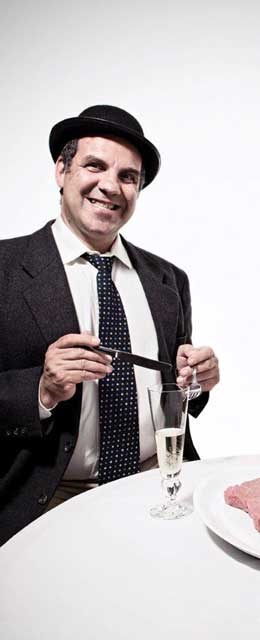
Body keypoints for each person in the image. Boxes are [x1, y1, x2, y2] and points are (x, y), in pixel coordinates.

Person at [0, 105, 220, 545]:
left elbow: (176, 390)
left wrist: (198, 381)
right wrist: (41, 390)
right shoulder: (5, 268)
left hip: (160, 483)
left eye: (128, 176)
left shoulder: (168, 279)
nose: (110, 186)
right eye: (94, 166)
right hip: (50, 496)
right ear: (61, 170)